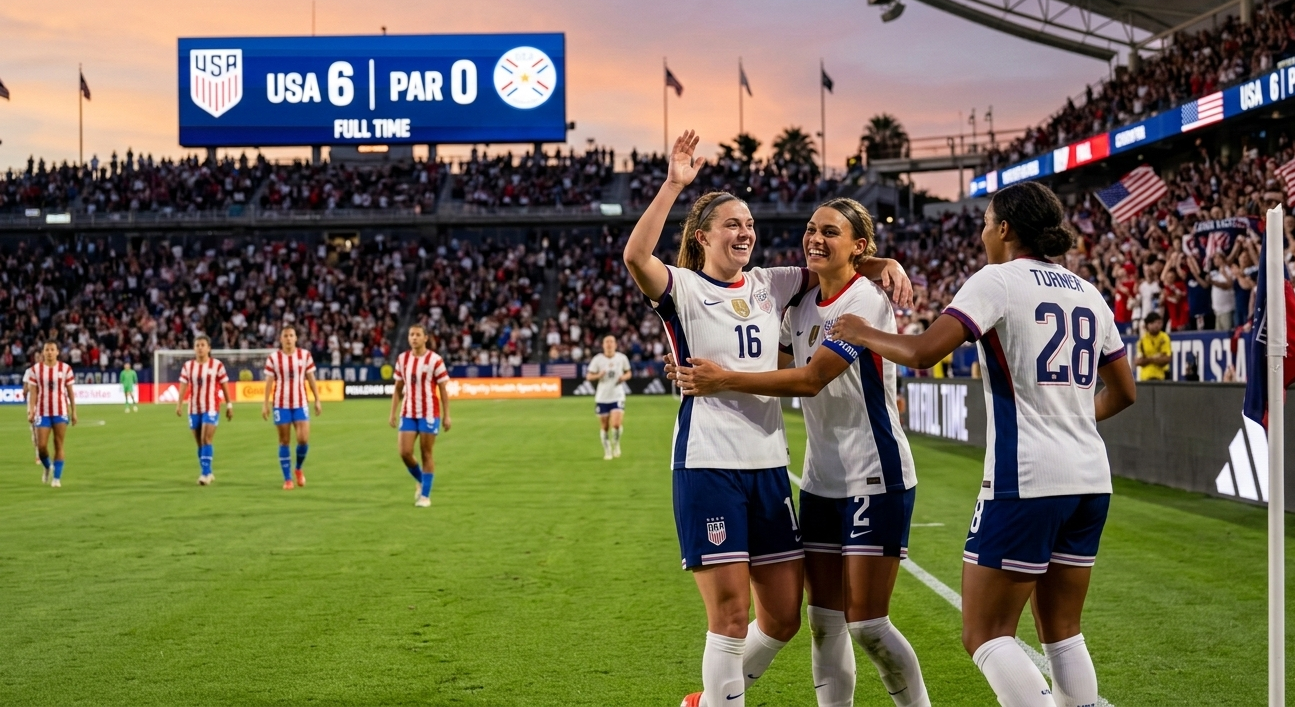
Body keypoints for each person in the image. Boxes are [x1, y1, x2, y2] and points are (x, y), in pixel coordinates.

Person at [622, 130, 911, 707]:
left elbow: (837, 267)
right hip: (708, 465)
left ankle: (705, 700)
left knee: (782, 618)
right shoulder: (680, 288)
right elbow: (636, 256)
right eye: (732, 223)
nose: (745, 231)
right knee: (729, 616)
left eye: (749, 223)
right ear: (702, 235)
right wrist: (675, 184)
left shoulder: (769, 284)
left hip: (772, 470)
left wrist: (883, 260)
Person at [826, 181, 1137, 707]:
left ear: (1007, 229)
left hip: (1026, 477)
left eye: (987, 221)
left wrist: (862, 332)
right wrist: (1069, 417)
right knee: (1063, 631)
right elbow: (1125, 392)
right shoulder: (1087, 291)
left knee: (986, 633)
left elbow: (925, 351)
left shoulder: (997, 280)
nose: (982, 231)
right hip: (1090, 477)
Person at [671, 197, 929, 707]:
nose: (815, 238)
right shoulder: (801, 304)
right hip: (818, 482)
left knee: (870, 626)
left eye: (829, 232)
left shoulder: (864, 301)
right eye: (812, 229)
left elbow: (810, 380)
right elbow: (773, 360)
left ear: (857, 246)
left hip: (874, 475)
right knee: (823, 623)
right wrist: (694, 360)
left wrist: (722, 379)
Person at [389, 324, 452, 508]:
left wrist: (447, 415)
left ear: (426, 338)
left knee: (426, 453)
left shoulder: (435, 360)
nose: (414, 338)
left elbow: (443, 389)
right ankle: (421, 480)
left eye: (417, 335)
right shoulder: (402, 359)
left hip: (429, 413)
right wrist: (392, 412)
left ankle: (425, 496)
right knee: (405, 452)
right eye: (411, 335)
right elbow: (398, 388)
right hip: (408, 411)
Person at [261, 325, 322, 490]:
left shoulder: (304, 355)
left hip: (300, 403)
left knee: (303, 439)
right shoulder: (273, 358)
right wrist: (265, 404)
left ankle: (298, 469)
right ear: (281, 339)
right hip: (281, 405)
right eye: (285, 336)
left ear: (296, 338)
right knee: (284, 441)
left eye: (291, 335)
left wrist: (317, 399)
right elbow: (268, 382)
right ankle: (287, 479)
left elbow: (311, 377)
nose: (288, 338)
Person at [175, 336, 233, 485]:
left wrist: (229, 405)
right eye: (197, 345)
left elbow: (225, 385)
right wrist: (179, 404)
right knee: (199, 443)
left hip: (212, 406)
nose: (200, 348)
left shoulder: (217, 365)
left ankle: (205, 474)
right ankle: (208, 471)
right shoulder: (188, 366)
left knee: (206, 439)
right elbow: (183, 385)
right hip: (194, 408)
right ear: (194, 348)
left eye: (203, 345)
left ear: (209, 348)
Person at [24, 341, 77, 488]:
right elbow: (33, 393)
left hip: (61, 411)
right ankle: (47, 466)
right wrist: (31, 411)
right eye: (47, 350)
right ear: (43, 352)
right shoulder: (35, 369)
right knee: (41, 446)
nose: (49, 352)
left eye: (52, 349)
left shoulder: (65, 368)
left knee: (58, 444)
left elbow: (70, 392)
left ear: (57, 352)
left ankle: (56, 478)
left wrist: (74, 412)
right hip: (42, 412)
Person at [585, 335, 632, 460]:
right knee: (605, 426)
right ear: (603, 345)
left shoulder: (622, 358)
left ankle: (616, 443)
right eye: (607, 342)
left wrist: (624, 377)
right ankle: (607, 450)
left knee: (616, 424)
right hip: (602, 397)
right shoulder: (597, 359)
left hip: (617, 395)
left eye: (611, 341)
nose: (609, 344)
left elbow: (628, 372)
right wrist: (598, 375)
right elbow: (589, 376)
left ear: (616, 344)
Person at [1135, 312, 1172, 381]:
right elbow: (1138, 361)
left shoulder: (1164, 338)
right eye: (1153, 323)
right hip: (1145, 377)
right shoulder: (1142, 340)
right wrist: (1156, 357)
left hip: (1161, 376)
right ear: (1147, 325)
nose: (1156, 325)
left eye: (1158, 323)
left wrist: (1147, 359)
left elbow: (1166, 358)